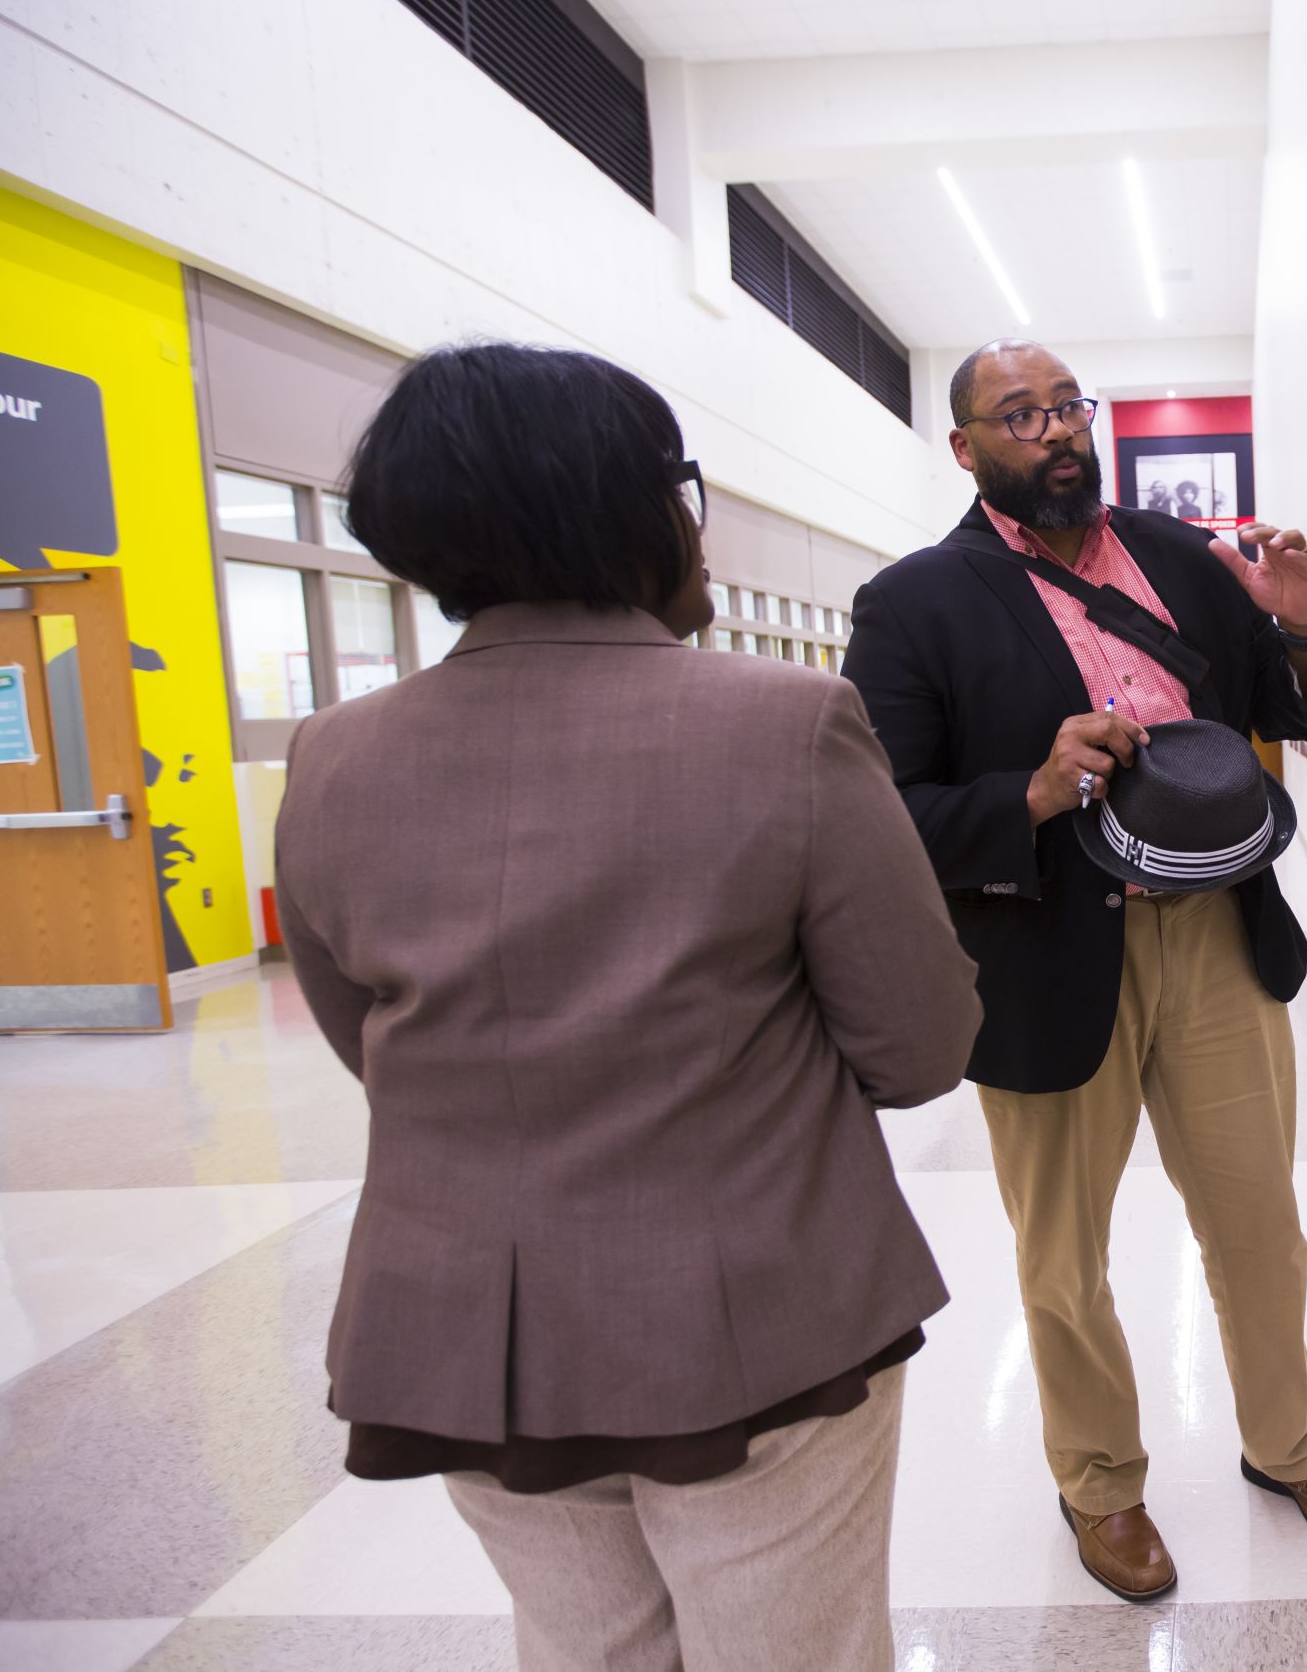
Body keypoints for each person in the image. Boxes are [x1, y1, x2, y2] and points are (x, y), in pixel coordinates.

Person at [275, 342, 981, 1672]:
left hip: (468, 1330)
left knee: (587, 1645)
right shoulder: (787, 722)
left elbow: (367, 1042)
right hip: (762, 1310)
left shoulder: (331, 754)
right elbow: (922, 1043)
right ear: (634, 509)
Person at [842, 338, 1307, 1604]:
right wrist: (1031, 791)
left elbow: (1290, 709)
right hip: (1040, 950)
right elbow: (879, 815)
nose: (1053, 433)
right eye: (1019, 415)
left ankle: (1289, 1449)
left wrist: (1301, 629)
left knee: (1260, 1225)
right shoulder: (917, 602)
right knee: (1061, 1258)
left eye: (1065, 407)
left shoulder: (1181, 561)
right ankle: (1100, 1482)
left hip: (1214, 934)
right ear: (967, 446)